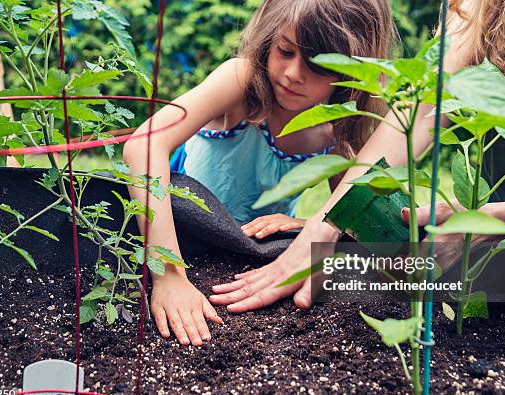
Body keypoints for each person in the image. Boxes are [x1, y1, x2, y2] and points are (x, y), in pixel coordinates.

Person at [209, 0, 505, 312]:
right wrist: (322, 227)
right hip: (503, 274)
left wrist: (495, 217)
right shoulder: (487, 7)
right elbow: (425, 102)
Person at [123, 0, 396, 345]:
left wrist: (306, 226)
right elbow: (143, 147)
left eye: (319, 65)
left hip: (257, 255)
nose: (294, 73)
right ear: (271, 38)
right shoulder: (242, 81)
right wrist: (169, 275)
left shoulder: (337, 124)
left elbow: (354, 216)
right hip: (185, 233)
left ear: (354, 71)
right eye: (286, 51)